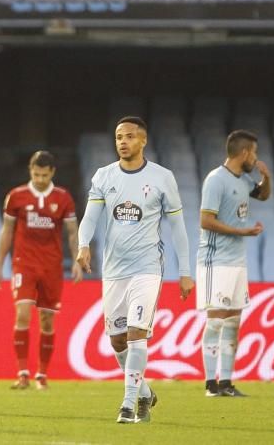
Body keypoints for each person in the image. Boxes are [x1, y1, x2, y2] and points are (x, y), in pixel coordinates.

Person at [76, 116, 193, 424]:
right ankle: (145, 393)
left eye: (129, 136)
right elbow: (89, 217)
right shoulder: (103, 176)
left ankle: (128, 404)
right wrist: (83, 244)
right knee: (116, 341)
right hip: (114, 270)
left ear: (143, 141)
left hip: (147, 268)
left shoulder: (162, 177)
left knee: (136, 335)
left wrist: (185, 270)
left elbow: (178, 226)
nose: (123, 142)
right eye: (118, 137)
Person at [0, 151, 80, 390]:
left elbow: (72, 232)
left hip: (51, 266)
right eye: (35, 174)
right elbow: (6, 232)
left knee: (47, 320)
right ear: (30, 171)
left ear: (52, 173)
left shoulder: (63, 198)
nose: (39, 178)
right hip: (24, 263)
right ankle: (22, 374)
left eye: (44, 174)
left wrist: (79, 259)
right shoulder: (16, 196)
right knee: (22, 314)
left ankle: (42, 375)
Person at [198, 130, 271, 398]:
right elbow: (205, 220)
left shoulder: (244, 180)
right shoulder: (215, 180)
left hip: (237, 261)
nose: (255, 157)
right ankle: (210, 384)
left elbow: (262, 196)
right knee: (216, 320)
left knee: (233, 322)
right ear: (244, 153)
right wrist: (243, 232)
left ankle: (226, 383)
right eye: (254, 152)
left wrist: (267, 178)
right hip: (215, 260)